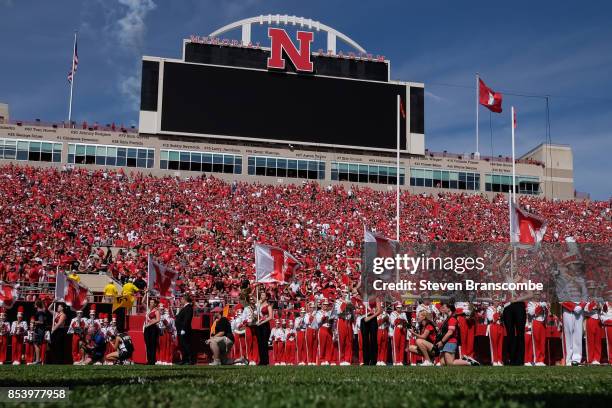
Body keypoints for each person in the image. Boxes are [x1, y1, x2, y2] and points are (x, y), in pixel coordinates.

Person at [435, 302, 478, 366]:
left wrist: (441, 341)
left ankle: (469, 362)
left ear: (449, 309)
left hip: (450, 341)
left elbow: (450, 332)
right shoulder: (448, 318)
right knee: (443, 363)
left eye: (444, 307)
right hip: (446, 341)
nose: (442, 309)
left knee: (450, 363)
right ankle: (466, 360)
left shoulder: (452, 318)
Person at [361, 297, 381, 366]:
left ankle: (373, 361)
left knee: (373, 340)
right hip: (363, 319)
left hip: (372, 318)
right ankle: (366, 361)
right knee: (365, 340)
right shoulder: (361, 295)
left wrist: (369, 318)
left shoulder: (375, 297)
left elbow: (379, 311)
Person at [175, 293, 194, 365]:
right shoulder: (185, 307)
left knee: (186, 345)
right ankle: (184, 359)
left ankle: (190, 360)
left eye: (182, 299)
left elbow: (187, 319)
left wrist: (183, 329)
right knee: (182, 345)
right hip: (181, 329)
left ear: (185, 300)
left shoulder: (188, 307)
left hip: (184, 330)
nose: (181, 300)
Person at [256, 290, 273, 366]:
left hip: (265, 326)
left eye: (263, 295)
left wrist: (262, 322)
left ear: (266, 297)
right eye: (261, 295)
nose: (261, 296)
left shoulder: (268, 306)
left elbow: (270, 317)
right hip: (258, 326)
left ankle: (266, 361)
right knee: (259, 343)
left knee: (264, 343)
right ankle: (261, 360)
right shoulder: (259, 304)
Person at [390, 302, 408, 366]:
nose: (399, 309)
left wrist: (402, 321)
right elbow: (392, 322)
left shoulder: (404, 313)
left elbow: (406, 322)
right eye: (398, 307)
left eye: (400, 307)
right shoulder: (393, 313)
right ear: (395, 307)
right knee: (396, 345)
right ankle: (396, 360)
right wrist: (399, 320)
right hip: (396, 329)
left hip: (403, 329)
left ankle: (401, 361)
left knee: (402, 345)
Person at [143, 298, 161, 365]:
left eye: (152, 302)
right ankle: (149, 360)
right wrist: (145, 293)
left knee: (152, 345)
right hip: (147, 328)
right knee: (148, 344)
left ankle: (152, 361)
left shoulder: (156, 311)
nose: (151, 303)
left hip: (153, 328)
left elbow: (158, 319)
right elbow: (142, 302)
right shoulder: (148, 310)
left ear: (155, 304)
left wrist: (150, 324)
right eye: (150, 302)